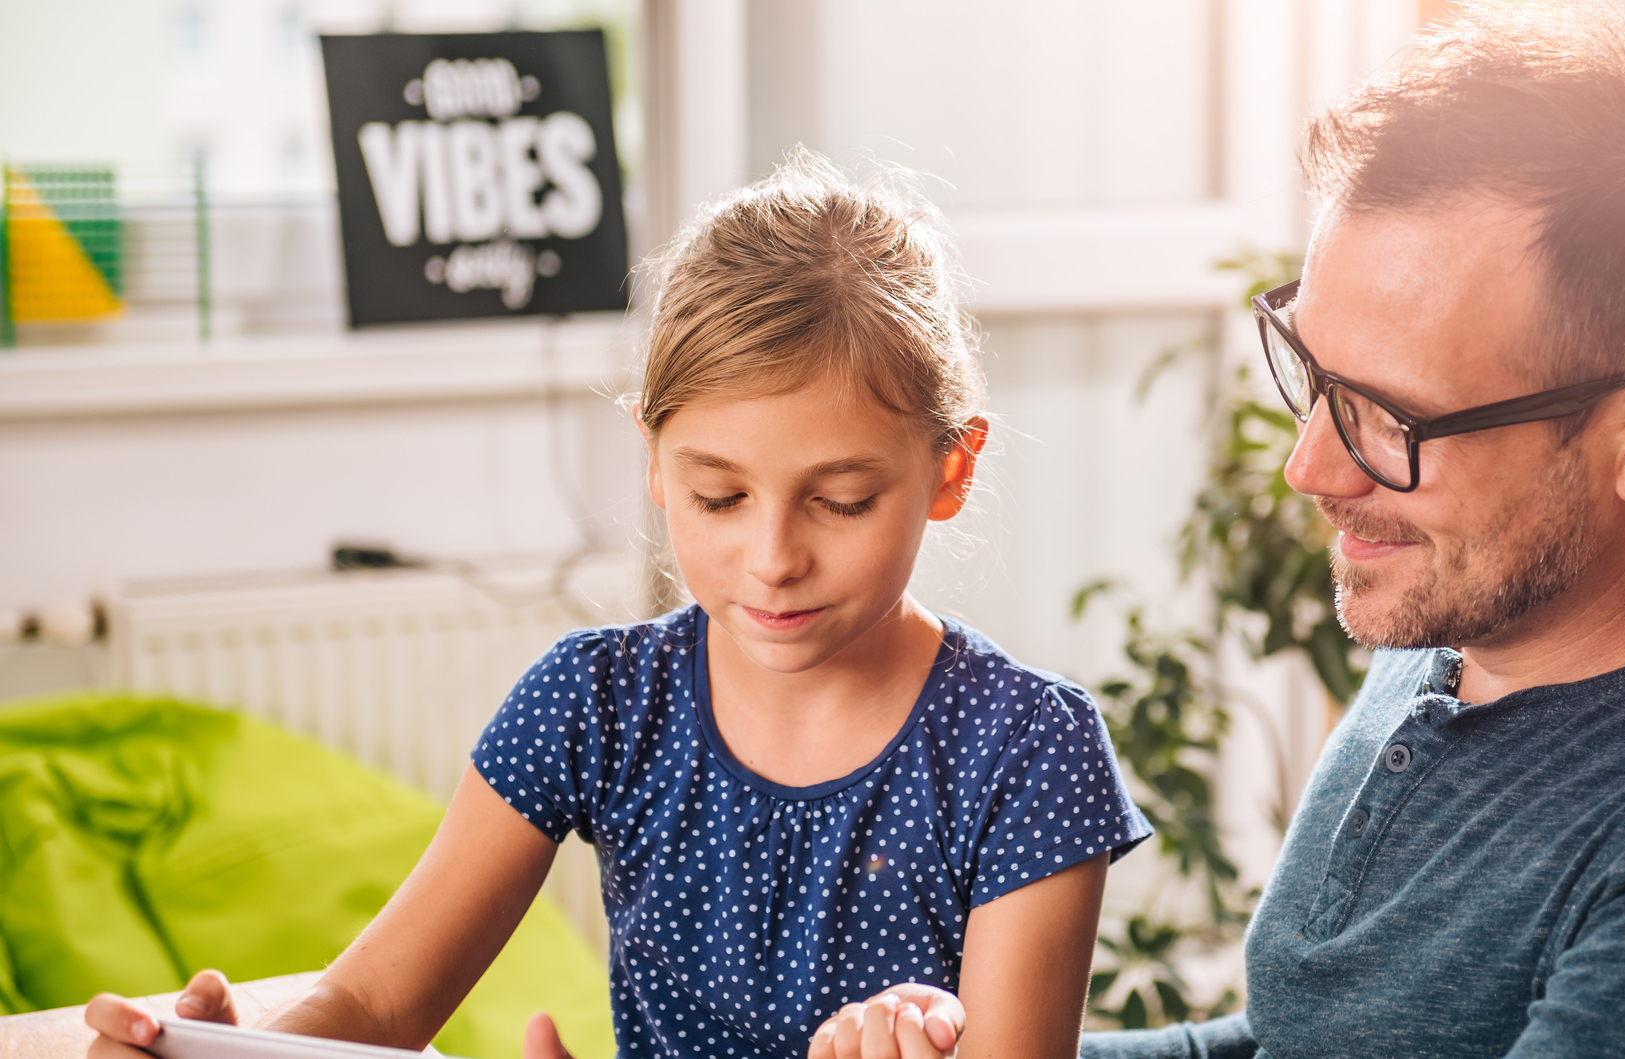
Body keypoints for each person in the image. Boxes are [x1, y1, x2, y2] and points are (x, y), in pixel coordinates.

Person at [950, 4, 1625, 1057]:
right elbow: (1293, 1042)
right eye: (1315, 376)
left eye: (1393, 418)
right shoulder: (1465, 626)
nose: (1308, 467)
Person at [84, 151, 1151, 1059]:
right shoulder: (594, 703)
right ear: (652, 459)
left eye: (840, 500)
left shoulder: (1027, 749)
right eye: (717, 496)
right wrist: (244, 1051)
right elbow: (376, 1001)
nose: (771, 556)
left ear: (951, 469)